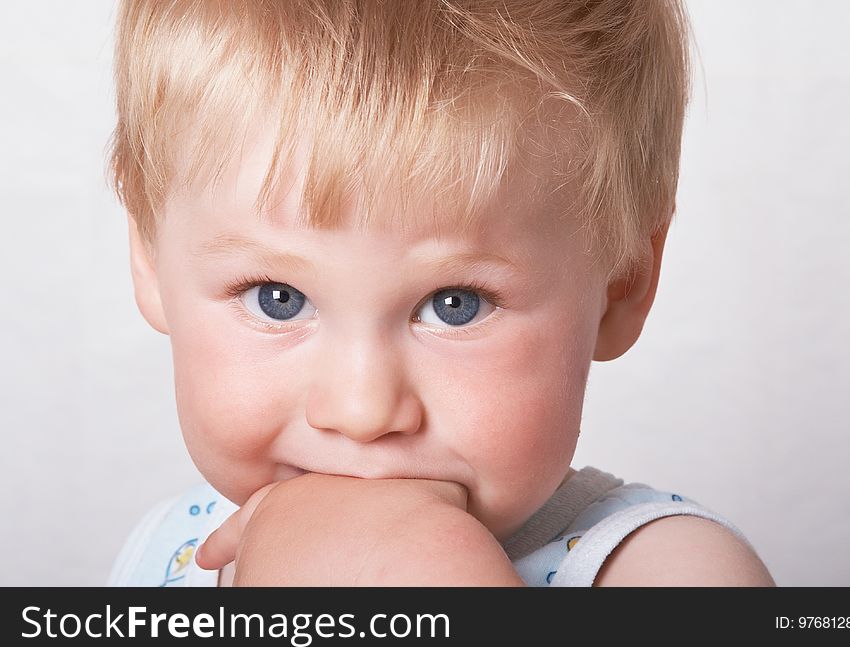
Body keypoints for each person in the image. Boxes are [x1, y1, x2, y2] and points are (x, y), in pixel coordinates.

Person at [106, 0, 774, 587]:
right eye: (277, 297)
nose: (362, 410)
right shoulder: (166, 554)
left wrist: (414, 569)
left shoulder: (670, 571)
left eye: (456, 303)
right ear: (150, 257)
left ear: (622, 282)